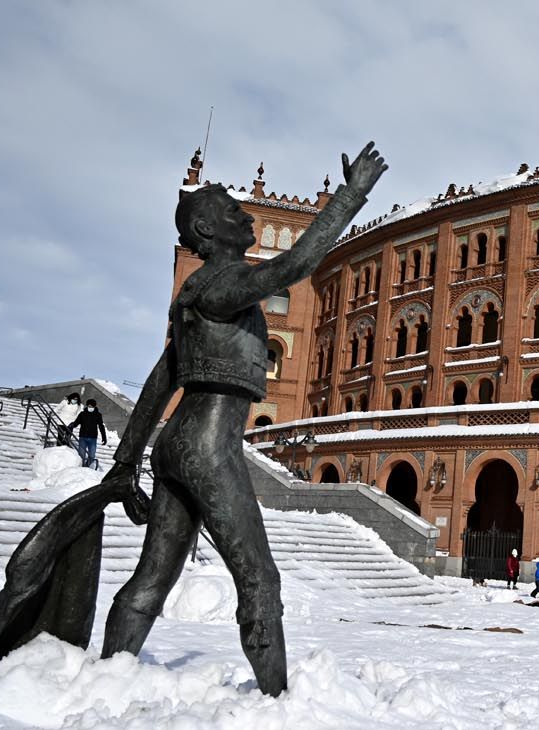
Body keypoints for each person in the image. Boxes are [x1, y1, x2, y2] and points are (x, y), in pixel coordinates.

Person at [98, 142, 386, 697]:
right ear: (207, 231)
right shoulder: (225, 283)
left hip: (178, 444)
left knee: (153, 579)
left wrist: (127, 459)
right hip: (210, 446)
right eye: (233, 211)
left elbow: (162, 380)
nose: (247, 215)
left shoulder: (193, 293)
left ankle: (106, 675)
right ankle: (276, 704)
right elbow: (295, 264)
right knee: (259, 579)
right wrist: (352, 195)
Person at [64, 399, 108, 468]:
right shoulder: (82, 414)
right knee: (81, 455)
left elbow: (101, 426)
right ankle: (81, 468)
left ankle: (86, 466)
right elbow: (76, 423)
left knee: (92, 456)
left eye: (92, 406)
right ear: (87, 406)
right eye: (89, 406)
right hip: (83, 437)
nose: (90, 408)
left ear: (95, 406)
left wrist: (104, 437)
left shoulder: (98, 415)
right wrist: (71, 426)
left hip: (93, 438)